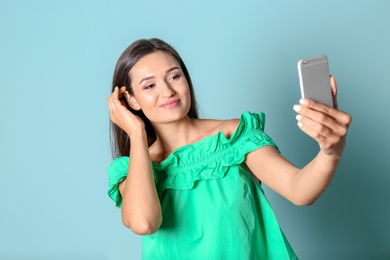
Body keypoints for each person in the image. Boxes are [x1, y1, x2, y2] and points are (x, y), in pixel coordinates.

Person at [106, 38, 352, 259]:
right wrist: (136, 133)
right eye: (149, 86)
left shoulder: (234, 136)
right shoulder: (132, 170)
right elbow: (144, 223)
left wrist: (331, 151)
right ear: (131, 100)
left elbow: (299, 190)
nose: (168, 91)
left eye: (174, 76)